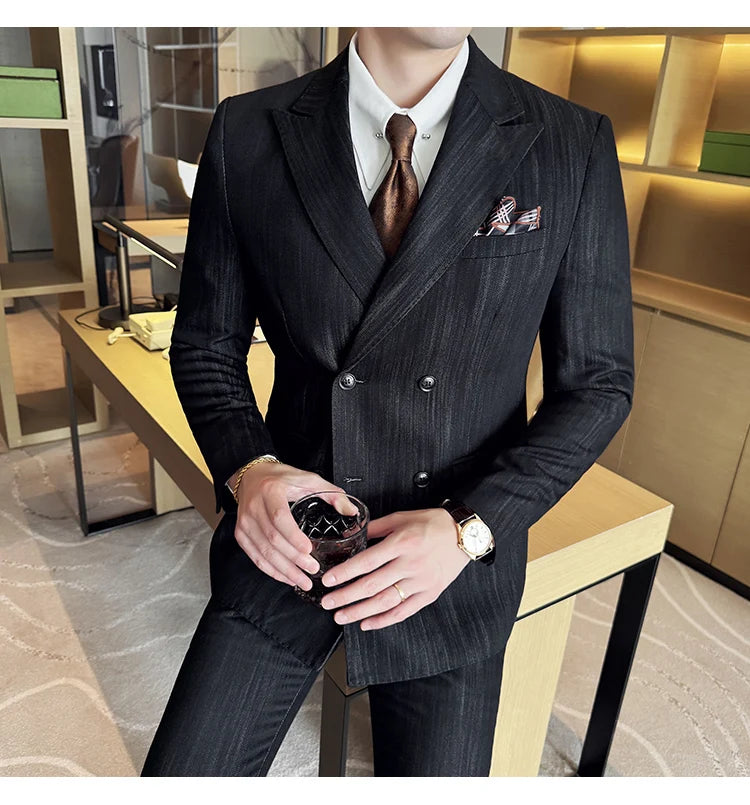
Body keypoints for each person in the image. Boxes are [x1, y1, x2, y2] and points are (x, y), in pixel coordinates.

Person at [141, 26, 634, 776]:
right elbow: (207, 344)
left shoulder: (571, 141)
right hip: (291, 538)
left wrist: (472, 527)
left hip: (453, 561)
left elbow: (598, 383)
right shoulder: (248, 129)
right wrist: (250, 470)